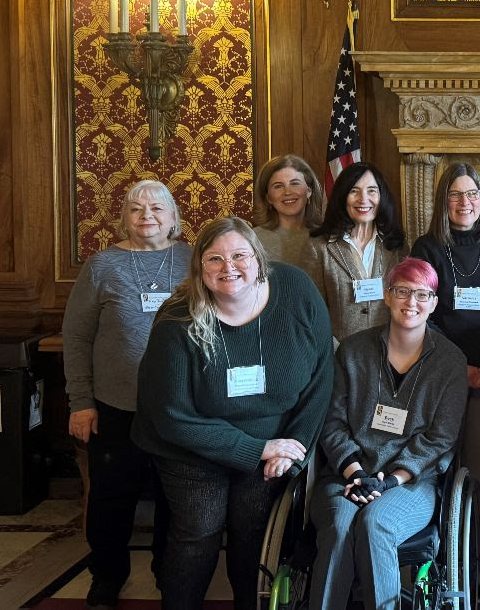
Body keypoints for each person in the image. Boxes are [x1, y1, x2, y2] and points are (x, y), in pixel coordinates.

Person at [132, 217, 333, 610]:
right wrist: (255, 449)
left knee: (254, 532)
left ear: (258, 258)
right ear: (199, 268)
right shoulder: (177, 320)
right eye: (214, 259)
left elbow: (322, 375)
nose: (229, 268)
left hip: (272, 442)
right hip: (189, 447)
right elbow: (171, 417)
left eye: (239, 255)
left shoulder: (296, 290)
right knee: (199, 530)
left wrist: (294, 449)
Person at [310, 257, 469, 609]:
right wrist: (356, 472)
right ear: (386, 295)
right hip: (345, 476)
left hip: (411, 483)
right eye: (402, 291)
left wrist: (389, 482)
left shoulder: (450, 362)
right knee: (339, 526)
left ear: (434, 303)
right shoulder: (352, 352)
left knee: (376, 523)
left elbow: (441, 439)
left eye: (422, 294)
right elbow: (332, 423)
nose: (411, 303)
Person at [63, 180, 190, 609]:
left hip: (179, 406)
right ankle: (107, 575)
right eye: (136, 209)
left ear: (173, 217)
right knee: (111, 498)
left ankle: (167, 571)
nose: (147, 216)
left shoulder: (194, 260)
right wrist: (80, 402)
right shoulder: (101, 266)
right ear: (124, 218)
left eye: (157, 208)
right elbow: (76, 337)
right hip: (115, 407)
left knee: (176, 499)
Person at [410, 162, 480, 596]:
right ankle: (434, 563)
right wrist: (461, 367)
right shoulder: (427, 247)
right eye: (456, 195)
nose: (465, 202)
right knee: (436, 467)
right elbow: (422, 311)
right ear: (444, 202)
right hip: (440, 374)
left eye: (472, 193)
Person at [300, 162, 406, 342]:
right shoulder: (318, 247)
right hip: (339, 355)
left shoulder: (396, 245)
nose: (363, 199)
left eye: (372, 190)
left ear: (381, 197)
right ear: (342, 197)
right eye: (354, 191)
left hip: (389, 351)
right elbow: (310, 309)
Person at [252, 154, 325, 266]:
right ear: (268, 198)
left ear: (309, 191)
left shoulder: (326, 237)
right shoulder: (253, 239)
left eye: (295, 183)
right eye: (278, 186)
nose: (287, 192)